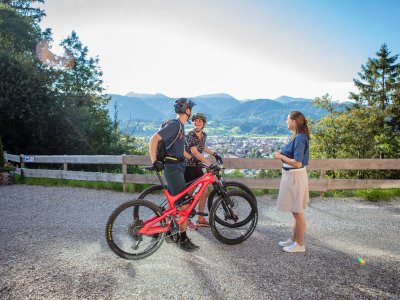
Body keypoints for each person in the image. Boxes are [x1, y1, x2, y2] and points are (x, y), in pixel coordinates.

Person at [149, 98, 199, 252]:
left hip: (178, 167)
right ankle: (182, 239)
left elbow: (180, 149)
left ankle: (169, 232)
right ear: (187, 110)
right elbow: (154, 139)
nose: (191, 111)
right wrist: (154, 161)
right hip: (173, 169)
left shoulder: (180, 127)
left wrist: (193, 159)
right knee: (185, 203)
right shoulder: (175, 125)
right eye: (191, 108)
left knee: (174, 205)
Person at [274, 111, 310, 253]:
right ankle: (295, 239)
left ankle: (300, 244)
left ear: (294, 122)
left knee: (297, 212)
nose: (286, 122)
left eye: (287, 119)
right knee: (295, 210)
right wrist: (282, 154)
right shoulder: (298, 136)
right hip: (293, 176)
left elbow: (297, 163)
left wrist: (279, 156)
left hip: (295, 177)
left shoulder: (300, 138)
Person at [184, 112, 223, 230]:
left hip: (198, 167)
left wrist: (214, 154)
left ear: (203, 124)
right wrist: (210, 164)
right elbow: (195, 151)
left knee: (204, 192)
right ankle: (186, 220)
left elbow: (202, 147)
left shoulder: (204, 135)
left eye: (199, 121)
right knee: (189, 197)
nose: (196, 123)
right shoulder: (190, 135)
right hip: (189, 168)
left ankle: (200, 219)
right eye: (195, 121)